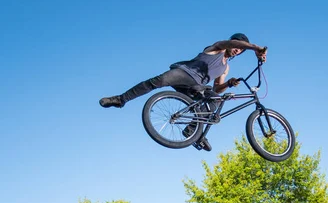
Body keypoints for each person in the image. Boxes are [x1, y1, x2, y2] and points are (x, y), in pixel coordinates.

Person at [99, 33, 268, 151]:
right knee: (157, 81)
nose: (238, 50)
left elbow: (217, 87)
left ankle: (194, 132)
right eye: (238, 45)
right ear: (233, 43)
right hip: (184, 73)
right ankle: (120, 99)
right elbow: (231, 44)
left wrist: (229, 84)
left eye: (241, 50)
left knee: (215, 99)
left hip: (196, 87)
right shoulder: (217, 47)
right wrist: (255, 48)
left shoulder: (226, 67)